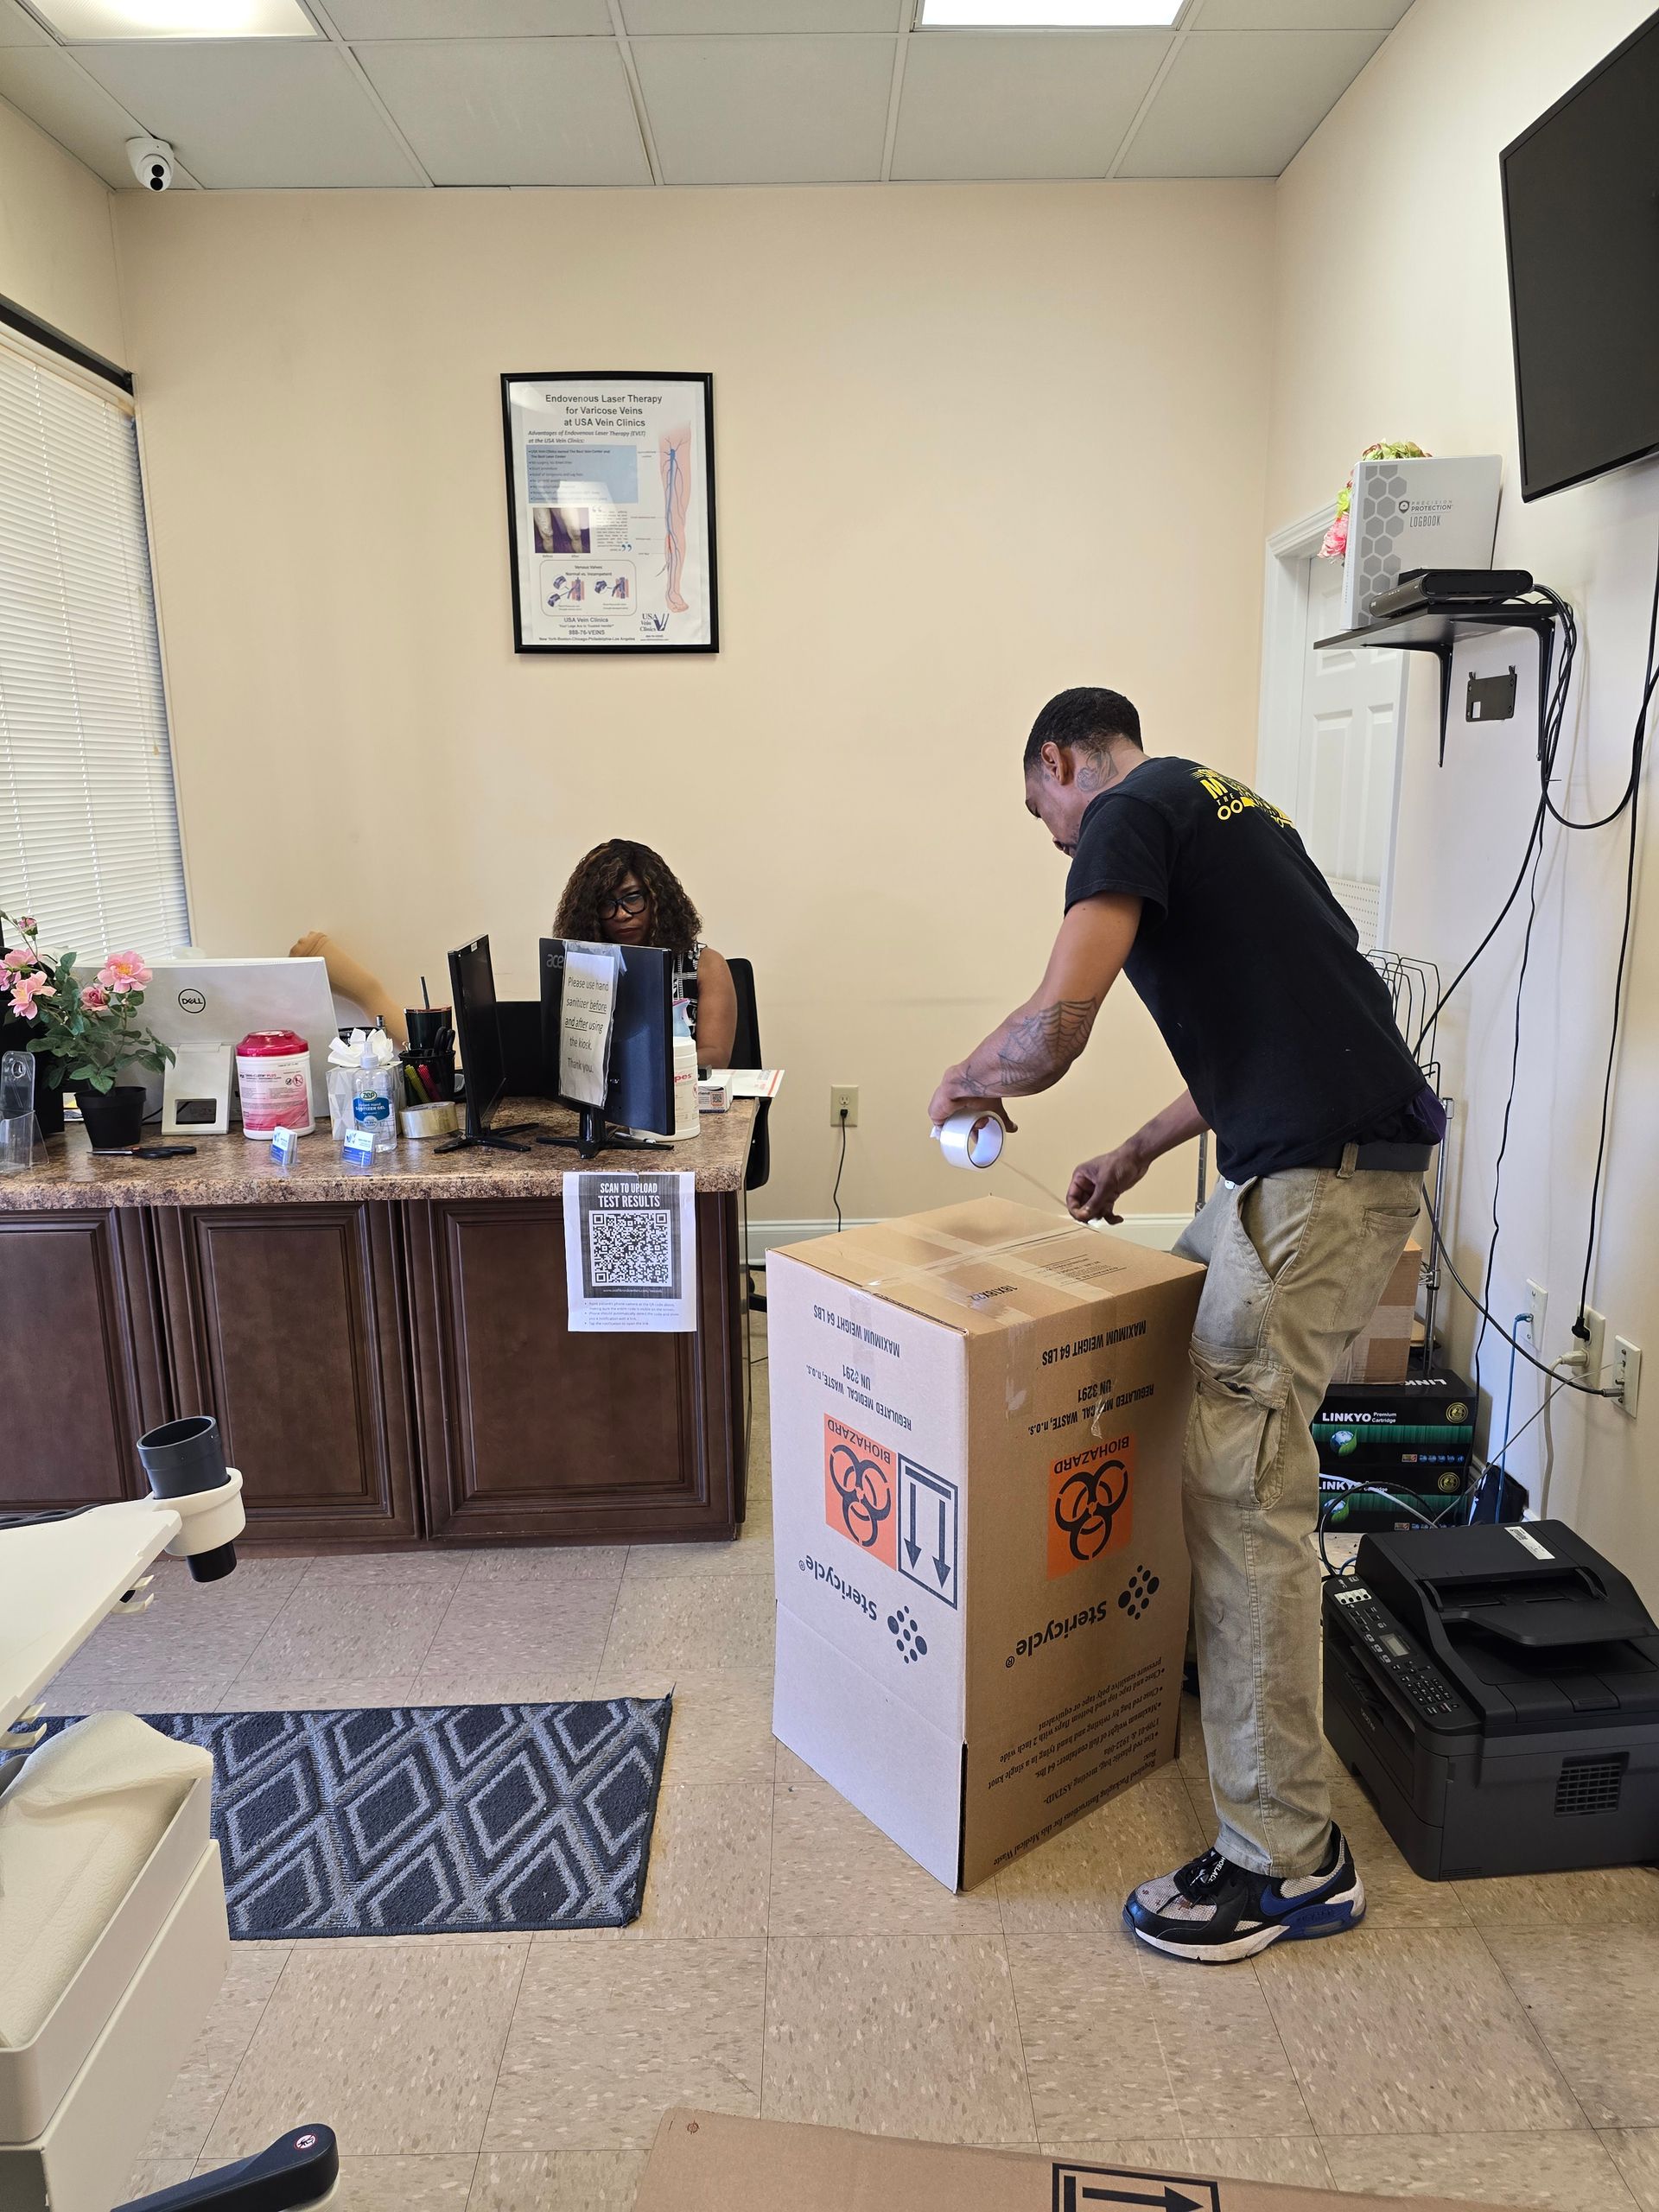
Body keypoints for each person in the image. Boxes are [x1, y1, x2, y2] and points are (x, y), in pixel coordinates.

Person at [929, 686, 1441, 1965]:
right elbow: (1258, 1025)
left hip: (1316, 1182)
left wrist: (962, 1077)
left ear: (1059, 761)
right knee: (1170, 1337)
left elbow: (1053, 1029)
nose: (1055, 841)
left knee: (1244, 1479)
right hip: (1305, 1161)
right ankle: (1224, 1665)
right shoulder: (1227, 803)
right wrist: (1136, 1147)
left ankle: (1288, 1863)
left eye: (1042, 812)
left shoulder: (1123, 812)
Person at [554, 837, 737, 1070]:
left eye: (632, 898)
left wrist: (638, 1065)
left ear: (656, 899)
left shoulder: (705, 965)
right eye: (607, 904)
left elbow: (715, 1057)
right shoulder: (582, 969)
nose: (621, 915)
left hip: (680, 1096)